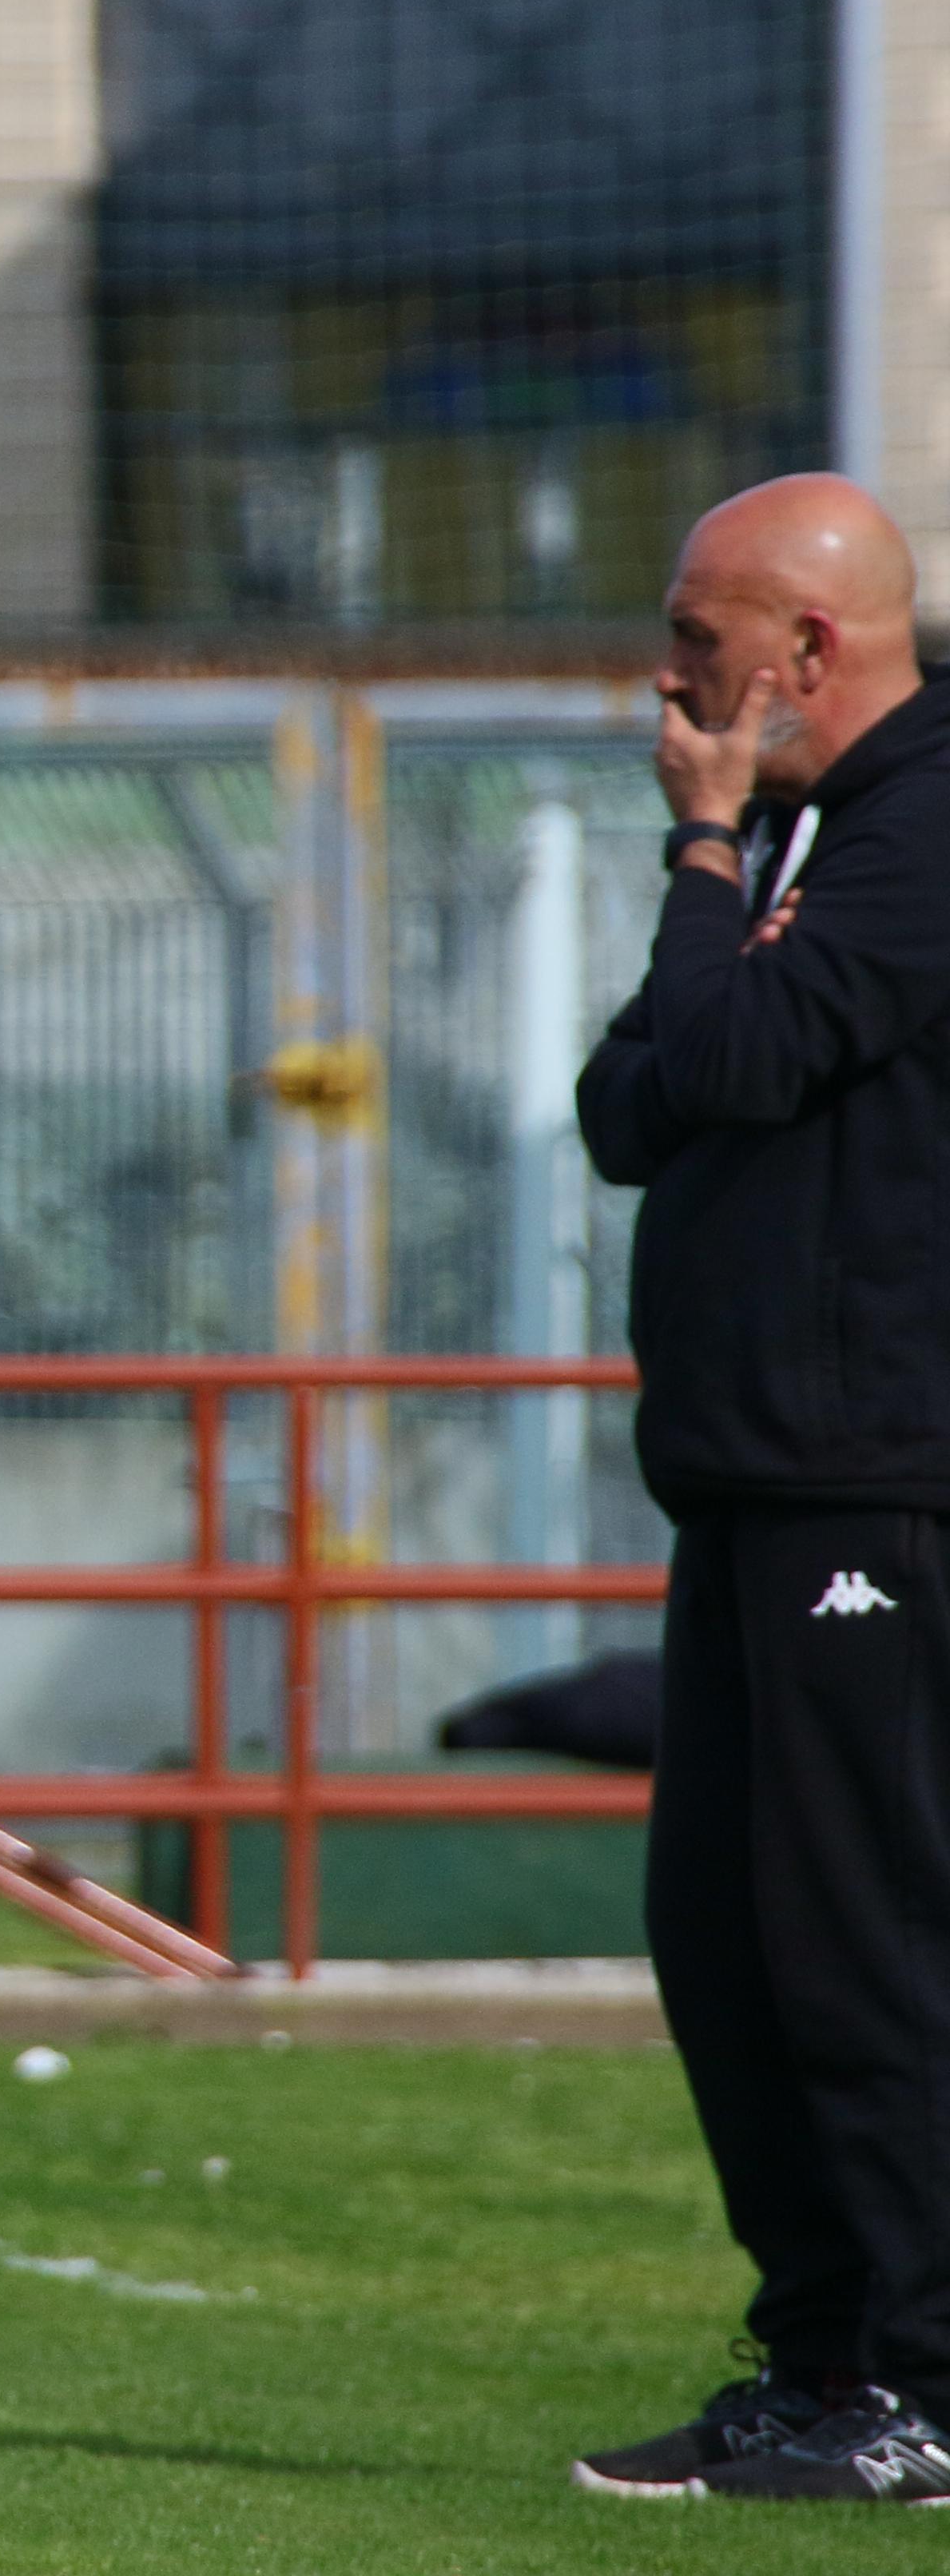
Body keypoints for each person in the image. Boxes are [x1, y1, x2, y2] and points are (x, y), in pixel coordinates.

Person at [575, 472, 950, 2502]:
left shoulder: (922, 823)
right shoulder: (802, 832)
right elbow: (627, 1102)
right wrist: (724, 871)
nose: (668, 681)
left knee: (860, 1940)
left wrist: (704, 845)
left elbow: (724, 1061)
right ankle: (818, 2362)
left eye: (697, 640)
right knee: (725, 1943)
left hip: (874, 1478)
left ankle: (923, 2378)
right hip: (745, 1482)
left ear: (808, 648)